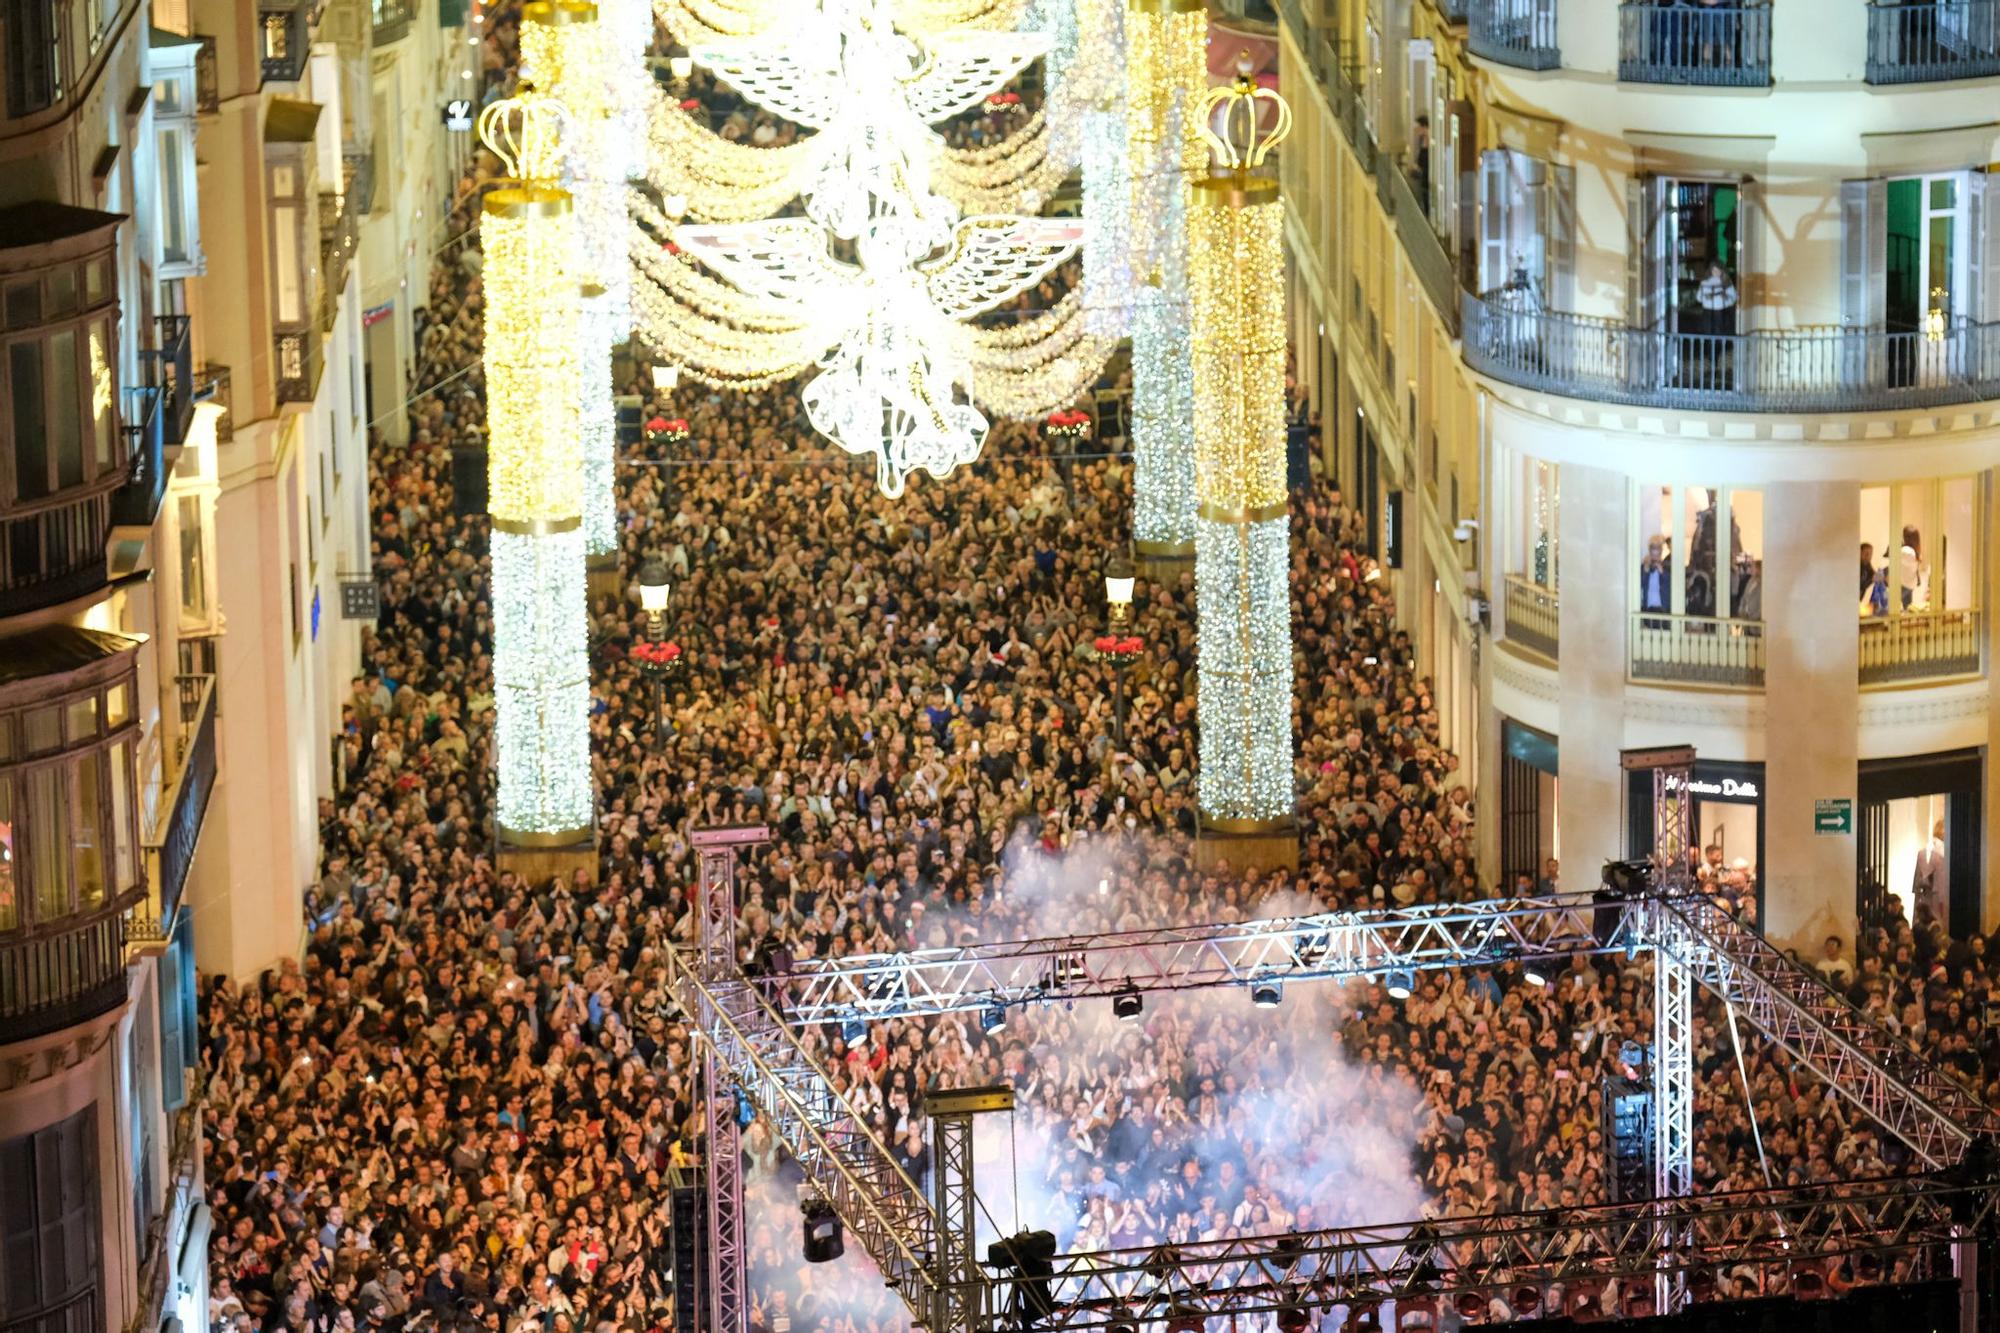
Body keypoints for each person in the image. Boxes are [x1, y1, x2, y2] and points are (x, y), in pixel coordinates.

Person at [1912, 819, 1947, 925]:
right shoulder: (1944, 853)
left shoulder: (1922, 852)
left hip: (1923, 896)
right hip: (1939, 897)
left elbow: (1917, 883)